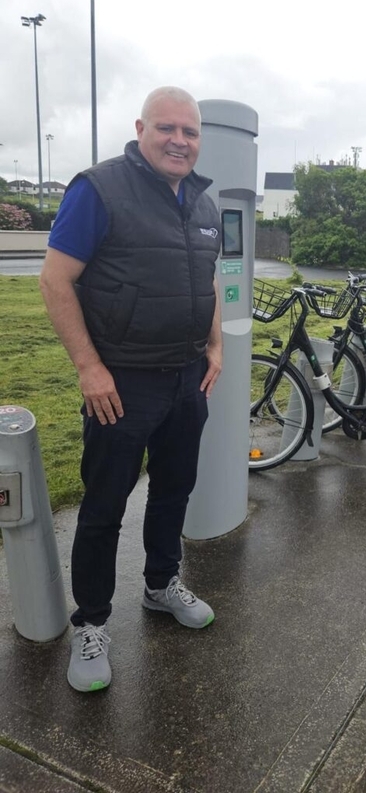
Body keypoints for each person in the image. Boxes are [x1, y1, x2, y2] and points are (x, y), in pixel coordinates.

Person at [40, 86, 223, 693]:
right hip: (121, 385)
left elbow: (211, 281)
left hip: (186, 379)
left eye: (189, 132)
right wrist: (90, 368)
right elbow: (55, 279)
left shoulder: (202, 201)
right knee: (104, 507)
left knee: (175, 491)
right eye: (167, 128)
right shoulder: (100, 189)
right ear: (141, 128)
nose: (179, 140)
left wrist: (216, 344)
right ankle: (91, 623)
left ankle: (159, 585)